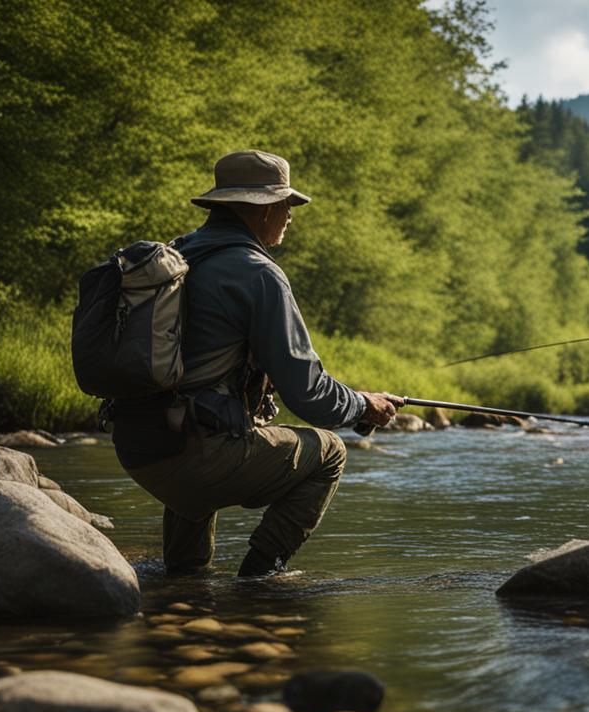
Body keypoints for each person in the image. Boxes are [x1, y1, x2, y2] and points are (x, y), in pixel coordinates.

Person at [111, 149, 402, 577]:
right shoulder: (257, 273)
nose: (290, 215)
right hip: (189, 458)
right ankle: (261, 576)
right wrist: (362, 405)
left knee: (200, 419)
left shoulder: (178, 255)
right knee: (330, 454)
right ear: (260, 208)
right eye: (285, 204)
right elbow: (309, 394)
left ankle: (186, 578)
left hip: (136, 446)